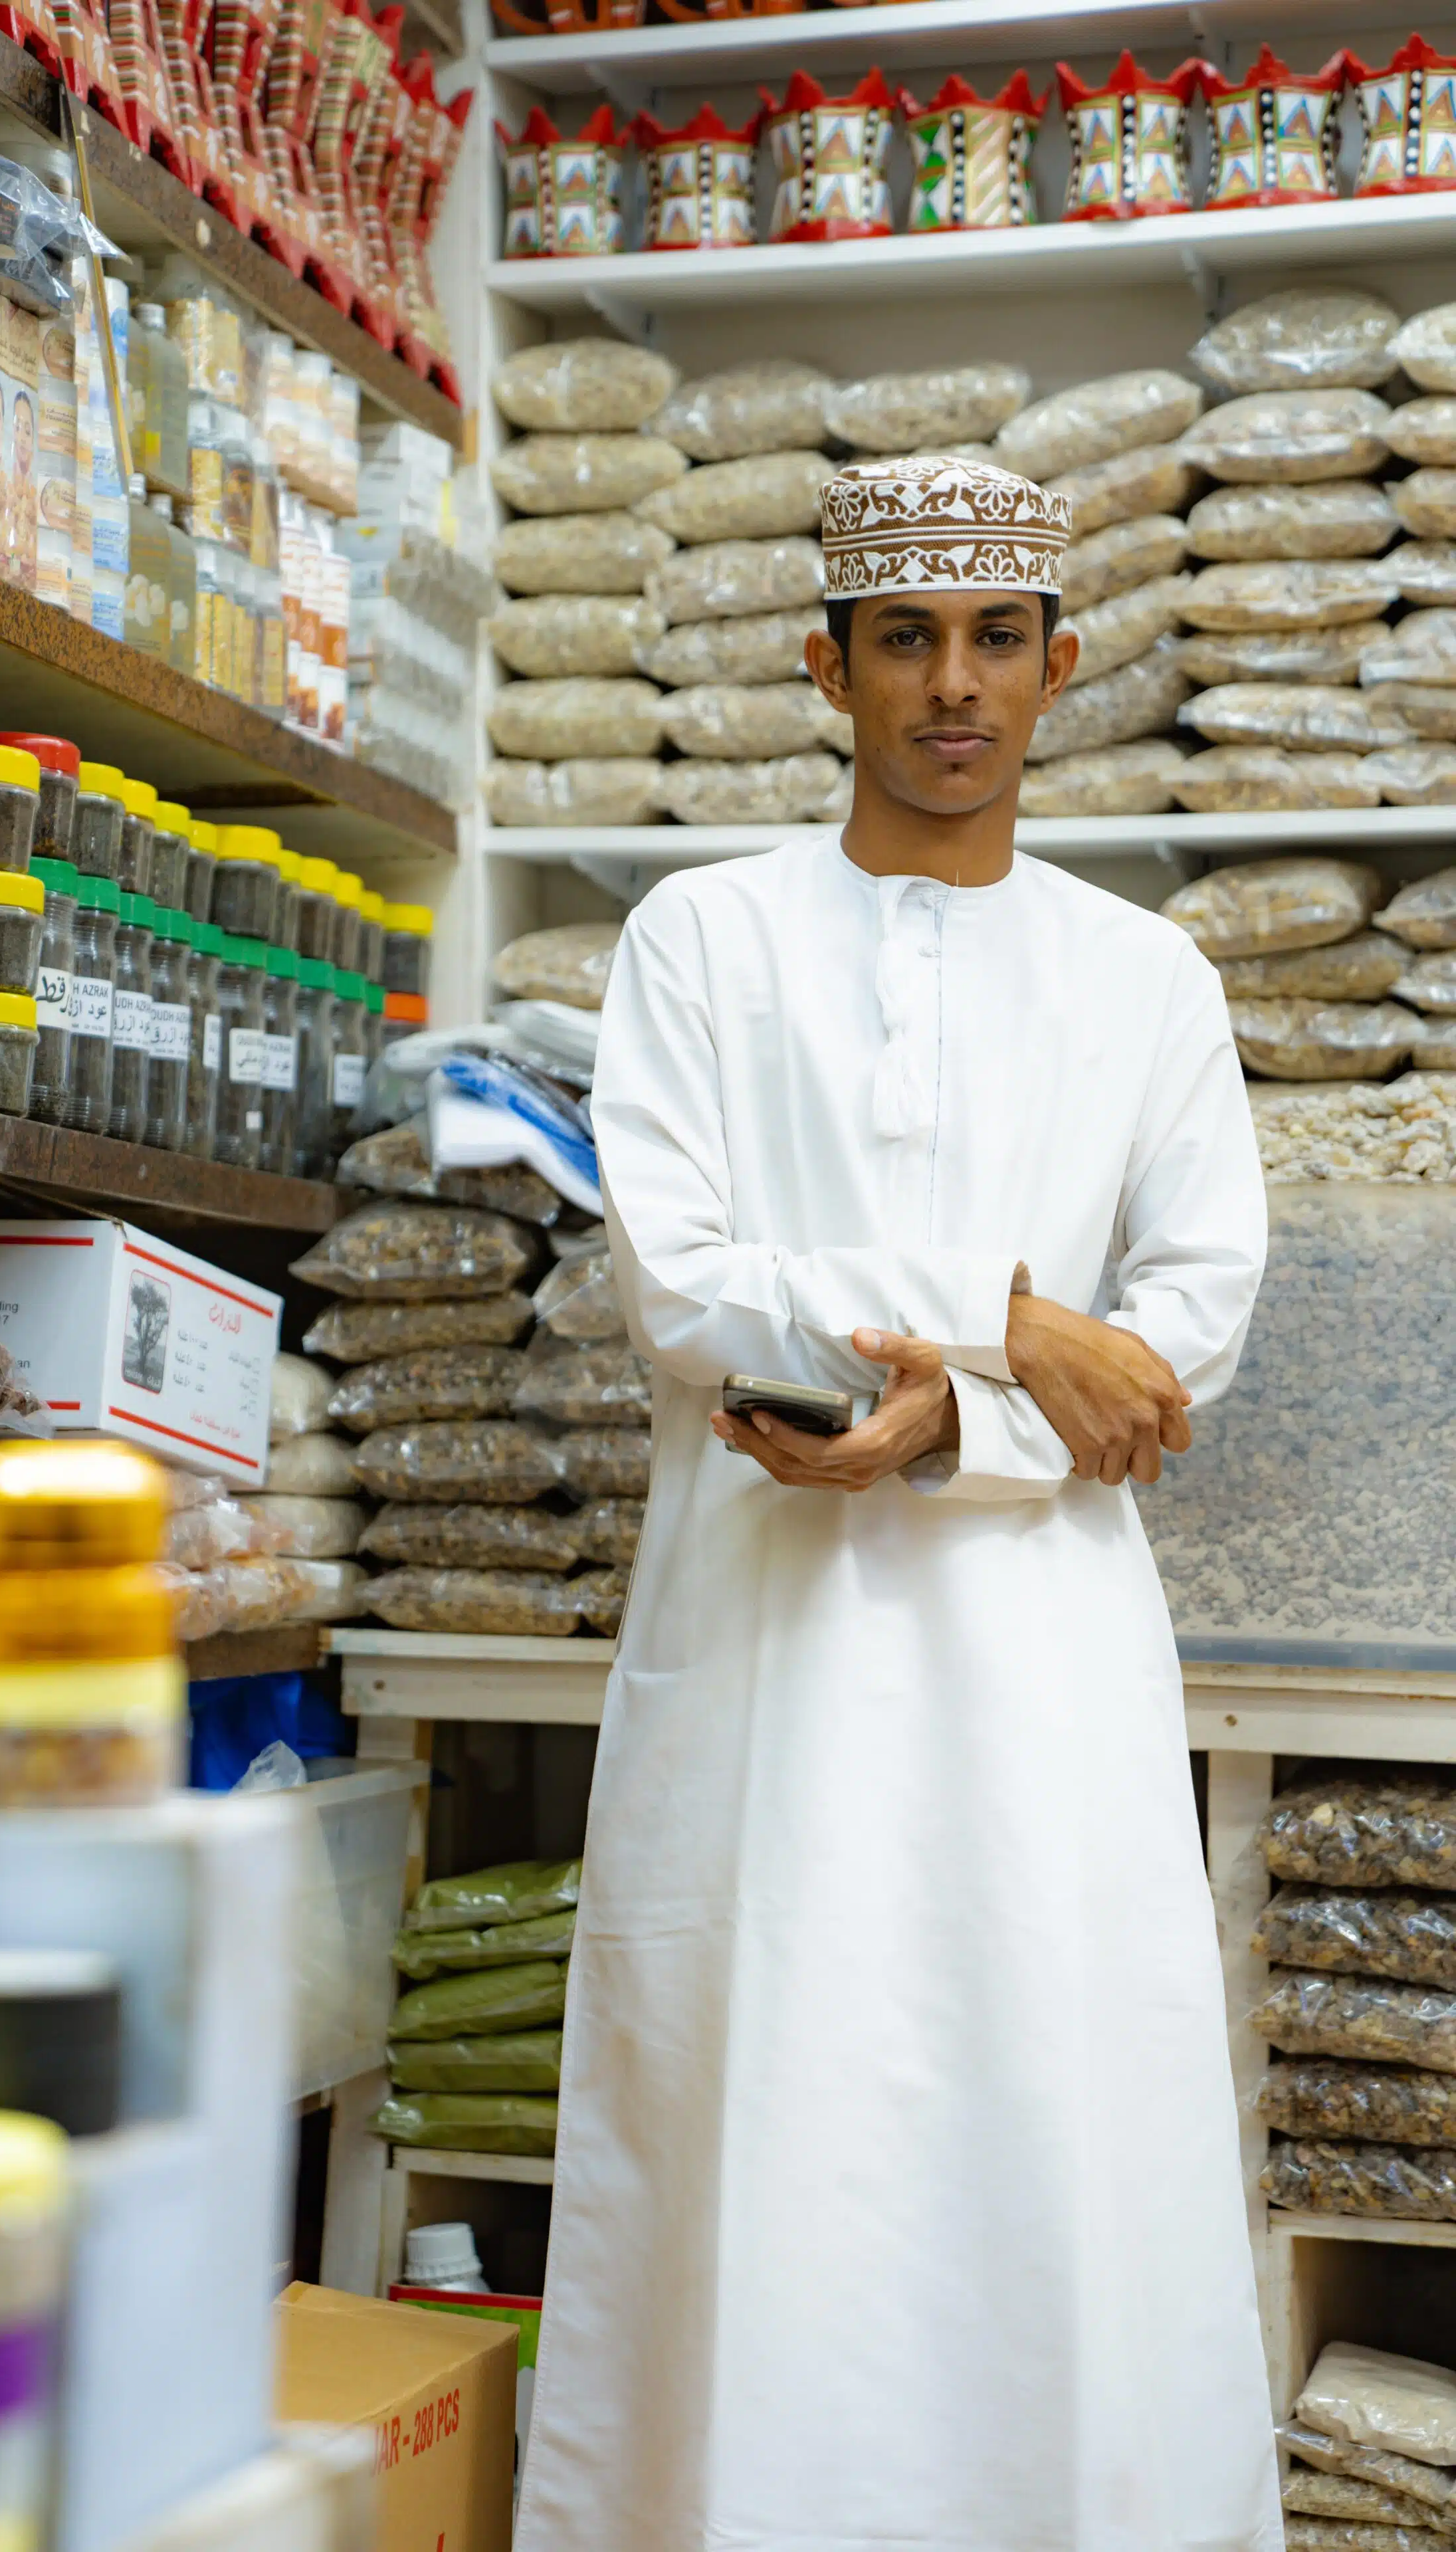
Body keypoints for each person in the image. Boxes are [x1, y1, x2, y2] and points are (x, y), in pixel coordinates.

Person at [515, 457, 1281, 2552]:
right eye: (909, 641)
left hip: (1039, 1677)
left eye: (999, 638)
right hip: (771, 1671)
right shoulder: (705, 940)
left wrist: (966, 1422)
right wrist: (1019, 1321)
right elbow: (682, 1284)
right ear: (827, 664)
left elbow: (1189, 1329)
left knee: (1056, 2159)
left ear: (1059, 660)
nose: (957, 687)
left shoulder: (1152, 985)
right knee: (766, 2154)